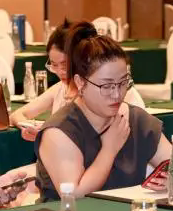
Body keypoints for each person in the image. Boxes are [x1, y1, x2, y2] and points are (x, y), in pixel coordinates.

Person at [35, 22, 173, 201]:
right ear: (80, 82)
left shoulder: (135, 119)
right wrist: (109, 149)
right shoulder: (59, 131)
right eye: (106, 86)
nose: (117, 94)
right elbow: (74, 195)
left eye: (123, 83)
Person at [10, 20, 145, 142]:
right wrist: (34, 128)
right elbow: (18, 114)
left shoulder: (111, 92)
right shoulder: (61, 88)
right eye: (54, 65)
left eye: (64, 65)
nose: (60, 71)